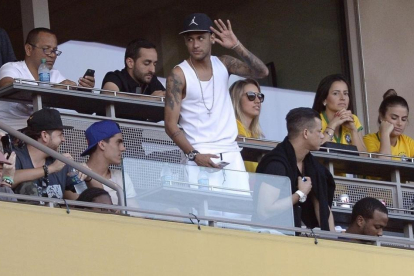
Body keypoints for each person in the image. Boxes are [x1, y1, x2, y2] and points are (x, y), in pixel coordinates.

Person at [164, 13, 268, 191]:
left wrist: (236, 45)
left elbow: (262, 72)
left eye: (201, 38)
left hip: (231, 153)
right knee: (205, 217)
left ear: (212, 38)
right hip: (200, 154)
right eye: (190, 39)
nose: (195, 44)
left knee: (239, 215)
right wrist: (194, 156)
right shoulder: (178, 74)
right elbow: (170, 125)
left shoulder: (224, 63)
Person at [255, 107, 335, 231]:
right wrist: (300, 194)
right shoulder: (276, 164)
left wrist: (332, 243)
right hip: (271, 236)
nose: (322, 136)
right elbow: (264, 211)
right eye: (319, 131)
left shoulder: (314, 167)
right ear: (306, 133)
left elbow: (324, 208)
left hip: (303, 239)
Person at [0, 27, 95, 129]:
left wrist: (85, 91)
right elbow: (6, 85)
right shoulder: (13, 68)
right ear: (29, 49)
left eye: (54, 50)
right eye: (46, 49)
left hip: (41, 138)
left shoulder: (54, 74)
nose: (53, 55)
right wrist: (54, 90)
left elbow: (85, 109)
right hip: (9, 135)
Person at [12, 108, 79, 200]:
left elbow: (81, 198)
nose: (63, 139)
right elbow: (7, 178)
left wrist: (86, 177)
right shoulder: (15, 156)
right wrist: (50, 169)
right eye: (60, 134)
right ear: (44, 136)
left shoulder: (60, 162)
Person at [81, 120, 138, 206]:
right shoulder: (77, 173)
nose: (123, 148)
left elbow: (135, 214)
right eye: (118, 142)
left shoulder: (122, 176)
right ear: (102, 144)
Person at [312, 74, 366, 152]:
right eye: (335, 93)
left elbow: (364, 156)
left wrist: (353, 130)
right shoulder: (316, 120)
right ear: (324, 100)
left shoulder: (354, 119)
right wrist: (332, 125)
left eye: (345, 93)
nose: (342, 98)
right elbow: (317, 152)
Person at [363, 91, 414, 160]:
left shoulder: (408, 142)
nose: (400, 123)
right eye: (394, 118)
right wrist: (385, 133)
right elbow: (383, 165)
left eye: (404, 119)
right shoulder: (368, 140)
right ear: (381, 116)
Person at [230, 78, 264, 173]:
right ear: (237, 98)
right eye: (251, 96)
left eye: (260, 96)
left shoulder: (254, 135)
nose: (257, 101)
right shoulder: (231, 129)